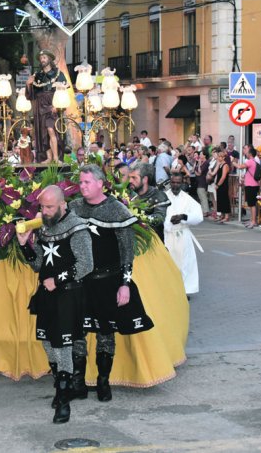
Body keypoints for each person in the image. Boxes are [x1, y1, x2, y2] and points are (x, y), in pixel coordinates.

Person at [68, 165, 154, 404]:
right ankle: (78, 382)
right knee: (77, 332)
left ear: (100, 183)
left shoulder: (117, 210)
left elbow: (127, 251)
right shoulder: (74, 208)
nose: (82, 186)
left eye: (86, 182)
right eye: (81, 182)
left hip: (108, 282)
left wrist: (125, 284)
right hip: (80, 282)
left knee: (106, 333)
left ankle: (103, 381)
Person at [17, 185, 92, 424]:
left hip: (69, 296)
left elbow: (86, 264)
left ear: (63, 205)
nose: (44, 212)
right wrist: (24, 245)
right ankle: (64, 385)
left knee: (62, 348)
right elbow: (38, 264)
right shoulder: (44, 229)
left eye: (49, 207)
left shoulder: (78, 228)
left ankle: (63, 400)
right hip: (46, 296)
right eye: (42, 207)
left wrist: (58, 280)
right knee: (48, 344)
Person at [164, 173, 204, 296]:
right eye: (173, 182)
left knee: (185, 264)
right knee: (168, 264)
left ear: (182, 183)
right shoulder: (163, 196)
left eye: (178, 182)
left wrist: (183, 217)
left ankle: (185, 291)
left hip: (183, 234)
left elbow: (198, 216)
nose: (175, 185)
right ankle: (169, 290)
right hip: (168, 234)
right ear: (170, 182)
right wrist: (169, 221)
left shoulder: (187, 198)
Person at [26, 50, 66, 163]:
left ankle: (56, 158)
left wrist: (57, 105)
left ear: (49, 59)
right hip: (40, 105)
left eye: (44, 57)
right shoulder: (37, 75)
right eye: (41, 58)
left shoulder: (58, 73)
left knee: (51, 129)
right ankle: (48, 157)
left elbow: (63, 90)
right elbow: (31, 95)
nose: (42, 59)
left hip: (52, 103)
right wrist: (28, 84)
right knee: (42, 132)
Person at [127, 162, 169, 242]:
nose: (130, 181)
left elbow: (159, 217)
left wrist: (140, 218)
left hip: (154, 244)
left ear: (145, 179)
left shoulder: (158, 195)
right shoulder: (129, 194)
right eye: (130, 177)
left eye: (134, 178)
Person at [213, 149, 231, 223]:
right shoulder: (220, 164)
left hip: (223, 185)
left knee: (224, 199)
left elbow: (223, 177)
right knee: (220, 200)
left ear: (223, 157)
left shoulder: (225, 165)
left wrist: (218, 184)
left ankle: (226, 216)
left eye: (220, 157)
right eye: (218, 157)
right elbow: (215, 173)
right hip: (220, 185)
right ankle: (222, 215)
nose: (218, 158)